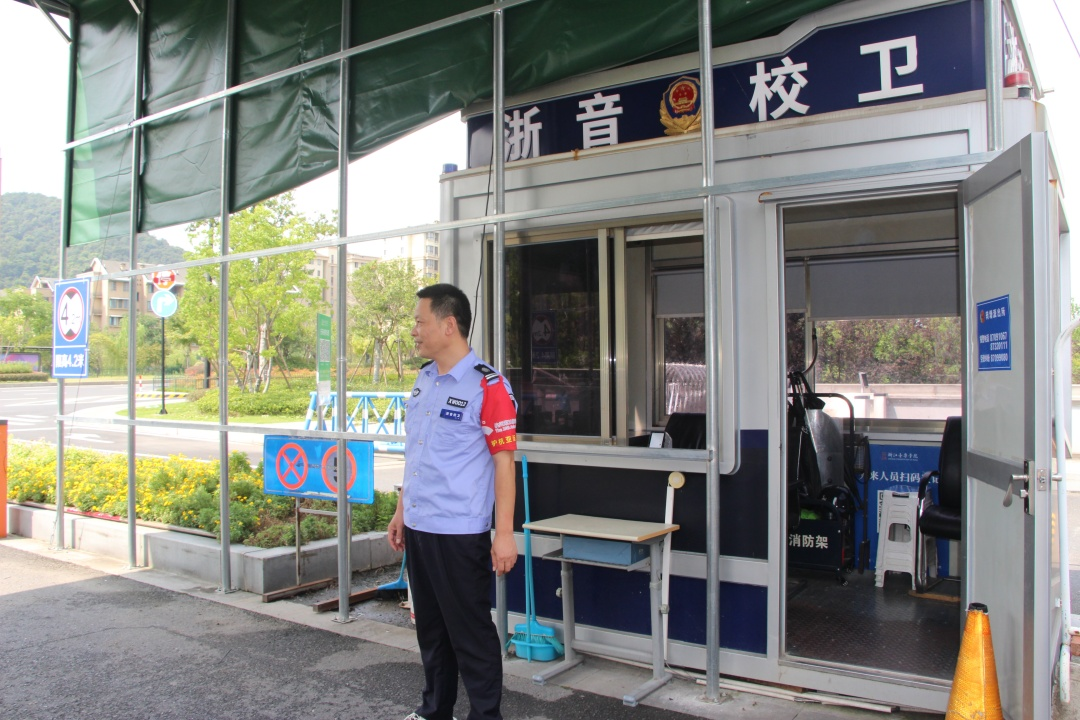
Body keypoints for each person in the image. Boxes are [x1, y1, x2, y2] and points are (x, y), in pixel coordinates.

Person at [387, 283, 518, 720]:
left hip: (460, 532)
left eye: (419, 322)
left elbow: (504, 464)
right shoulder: (424, 379)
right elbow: (417, 453)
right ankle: (434, 711)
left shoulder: (489, 385)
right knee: (431, 631)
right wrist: (401, 511)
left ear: (448, 325)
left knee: (471, 634)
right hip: (420, 525)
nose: (414, 330)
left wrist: (504, 535)